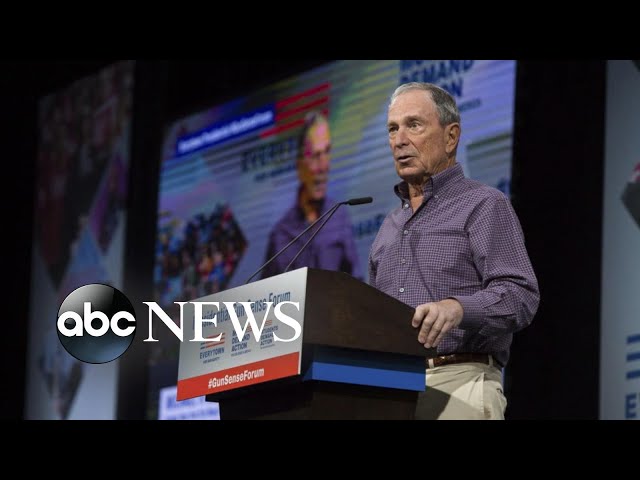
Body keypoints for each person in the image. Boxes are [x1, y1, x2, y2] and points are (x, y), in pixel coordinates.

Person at [369, 82, 540, 420]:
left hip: (460, 383)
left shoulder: (483, 204)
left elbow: (521, 295)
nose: (399, 140)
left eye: (413, 125)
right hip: (388, 394)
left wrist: (459, 309)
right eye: (392, 129)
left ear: (451, 137)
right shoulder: (388, 226)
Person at [262, 111, 360, 279]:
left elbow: (356, 280)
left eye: (327, 152)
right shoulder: (281, 235)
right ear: (299, 166)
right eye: (315, 156)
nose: (323, 166)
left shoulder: (339, 217)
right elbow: (265, 293)